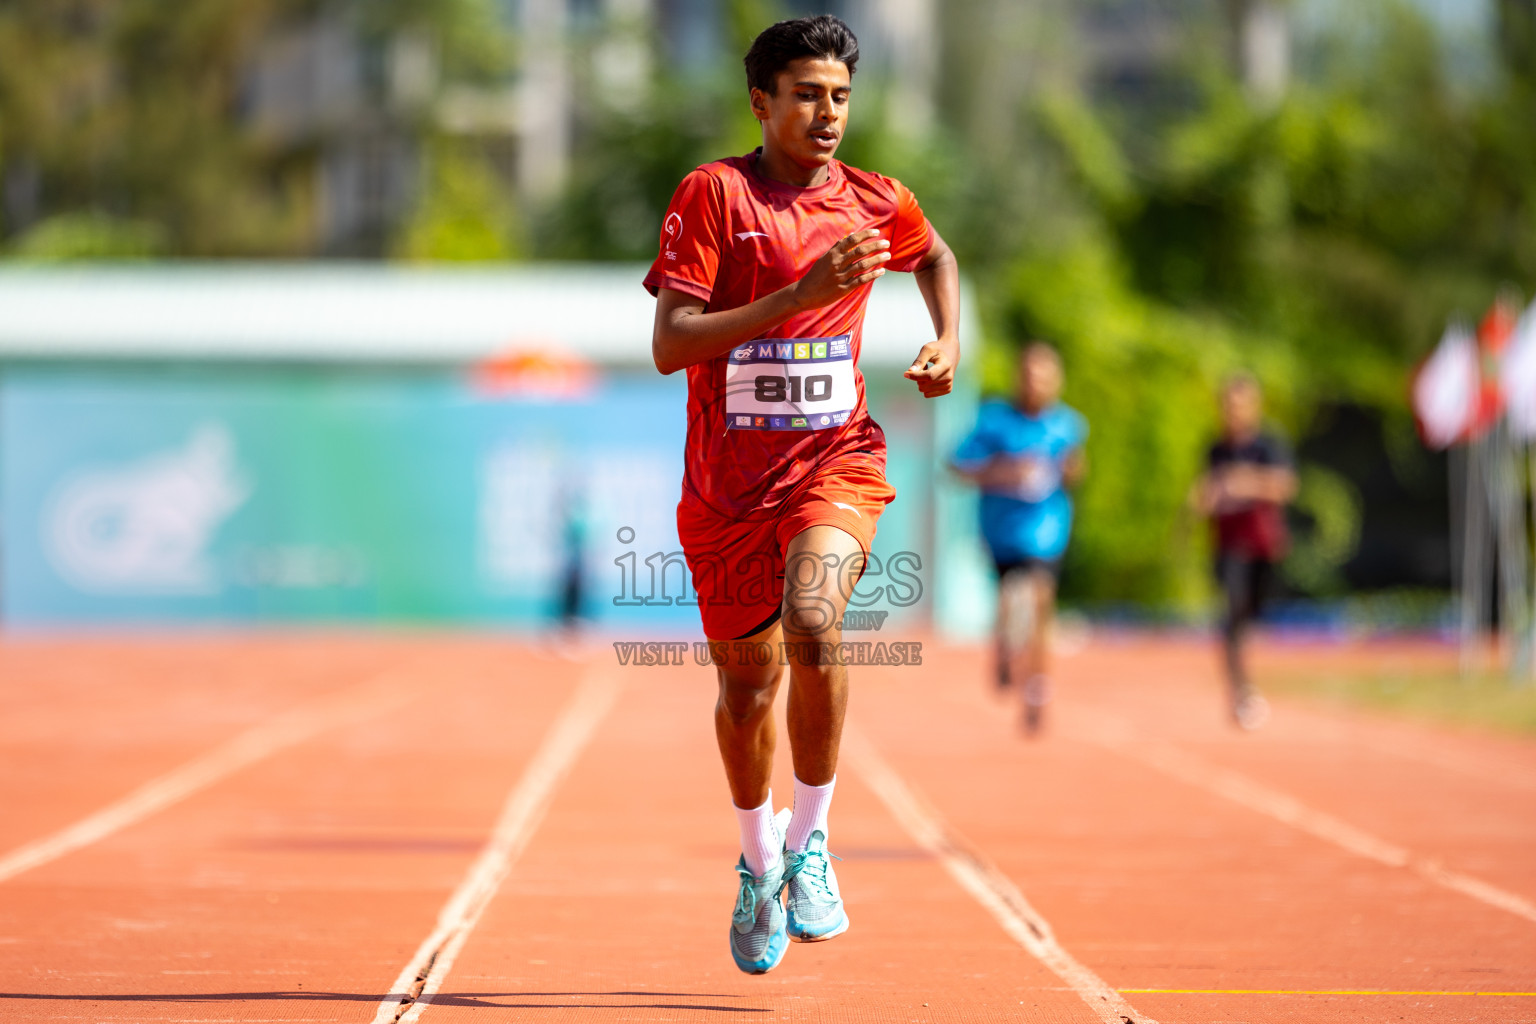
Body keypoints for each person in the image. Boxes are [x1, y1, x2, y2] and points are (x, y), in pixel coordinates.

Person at [643, 15, 960, 975]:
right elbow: (671, 343)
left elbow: (937, 255)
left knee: (818, 623)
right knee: (748, 688)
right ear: (762, 101)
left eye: (842, 97)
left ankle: (815, 841)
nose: (829, 115)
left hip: (836, 463)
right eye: (809, 95)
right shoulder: (714, 195)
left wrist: (947, 337)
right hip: (727, 491)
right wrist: (795, 295)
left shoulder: (874, 198)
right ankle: (759, 862)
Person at [950, 342, 1086, 734]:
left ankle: (1038, 686)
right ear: (1018, 377)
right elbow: (958, 466)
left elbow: (1075, 469)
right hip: (1000, 530)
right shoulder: (993, 421)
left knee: (1041, 597)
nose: (1036, 383)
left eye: (1044, 375)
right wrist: (1005, 473)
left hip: (1046, 531)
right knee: (1010, 597)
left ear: (1056, 380)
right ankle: (1007, 648)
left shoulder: (1067, 424)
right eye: (1029, 374)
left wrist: (1066, 470)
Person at [1191, 372, 1297, 730]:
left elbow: (1286, 486)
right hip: (1229, 546)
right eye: (1228, 405)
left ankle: (1244, 681)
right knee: (1232, 615)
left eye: (1240, 405)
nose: (1233, 412)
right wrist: (1202, 501)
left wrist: (1246, 482)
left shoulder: (1269, 444)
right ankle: (1241, 692)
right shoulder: (1215, 448)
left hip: (1264, 545)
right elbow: (1205, 489)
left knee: (1253, 615)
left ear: (1254, 406)